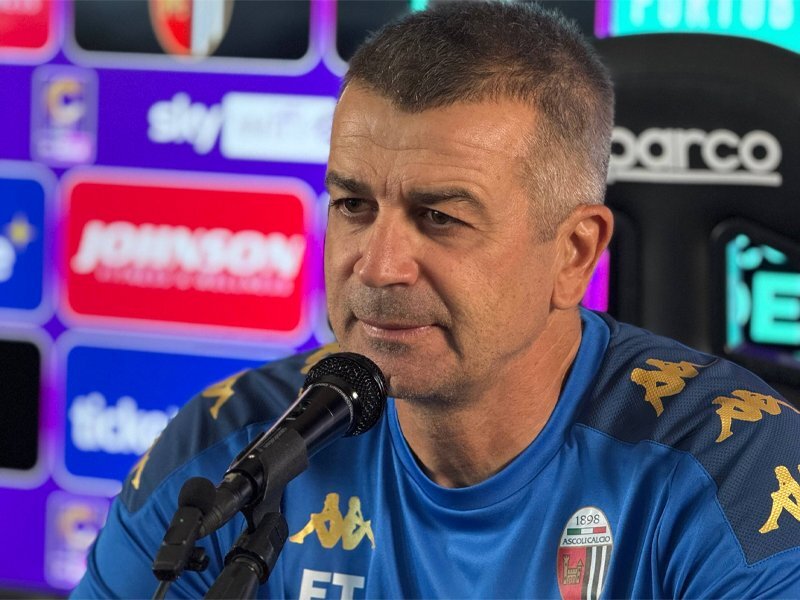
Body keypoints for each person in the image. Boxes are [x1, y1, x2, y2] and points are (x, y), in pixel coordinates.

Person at [73, 2, 800, 598]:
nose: (378, 267)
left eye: (440, 217)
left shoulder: (737, 476)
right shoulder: (228, 452)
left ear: (574, 252)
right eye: (354, 205)